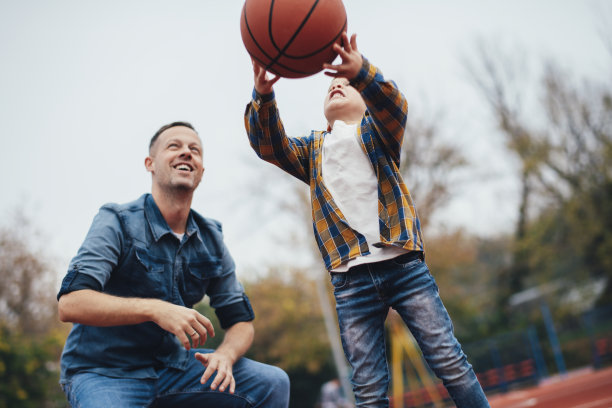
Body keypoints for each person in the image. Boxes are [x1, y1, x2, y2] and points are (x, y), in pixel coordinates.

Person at [244, 32, 490, 407]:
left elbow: (394, 106)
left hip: (403, 265)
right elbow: (269, 145)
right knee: (369, 390)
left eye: (346, 85)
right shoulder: (313, 151)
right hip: (350, 281)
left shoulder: (378, 134)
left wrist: (361, 72)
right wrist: (263, 96)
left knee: (450, 361)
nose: (336, 87)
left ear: (364, 100)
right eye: (331, 87)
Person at [57, 122, 290, 407]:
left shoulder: (211, 238)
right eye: (174, 146)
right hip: (104, 373)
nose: (186, 153)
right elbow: (71, 304)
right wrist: (155, 309)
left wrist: (225, 355)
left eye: (195, 150)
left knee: (271, 382)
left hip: (173, 368)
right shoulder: (116, 220)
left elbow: (241, 322)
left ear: (201, 171)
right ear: (150, 163)